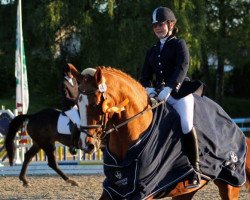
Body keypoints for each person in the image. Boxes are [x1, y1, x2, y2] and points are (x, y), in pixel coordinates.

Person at [140, 6, 204, 188]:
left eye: (160, 24)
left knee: (185, 123)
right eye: (154, 26)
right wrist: (147, 89)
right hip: (159, 94)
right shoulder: (151, 51)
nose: (158, 28)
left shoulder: (179, 44)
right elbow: (144, 75)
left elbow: (182, 67)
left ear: (171, 24)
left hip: (179, 92)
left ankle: (194, 170)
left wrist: (170, 87)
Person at [61, 63, 81, 155]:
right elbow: (66, 98)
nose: (72, 73)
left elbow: (78, 92)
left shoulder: (74, 80)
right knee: (78, 122)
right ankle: (72, 145)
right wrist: (76, 101)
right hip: (68, 107)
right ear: (65, 73)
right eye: (70, 72)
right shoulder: (63, 83)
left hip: (77, 105)